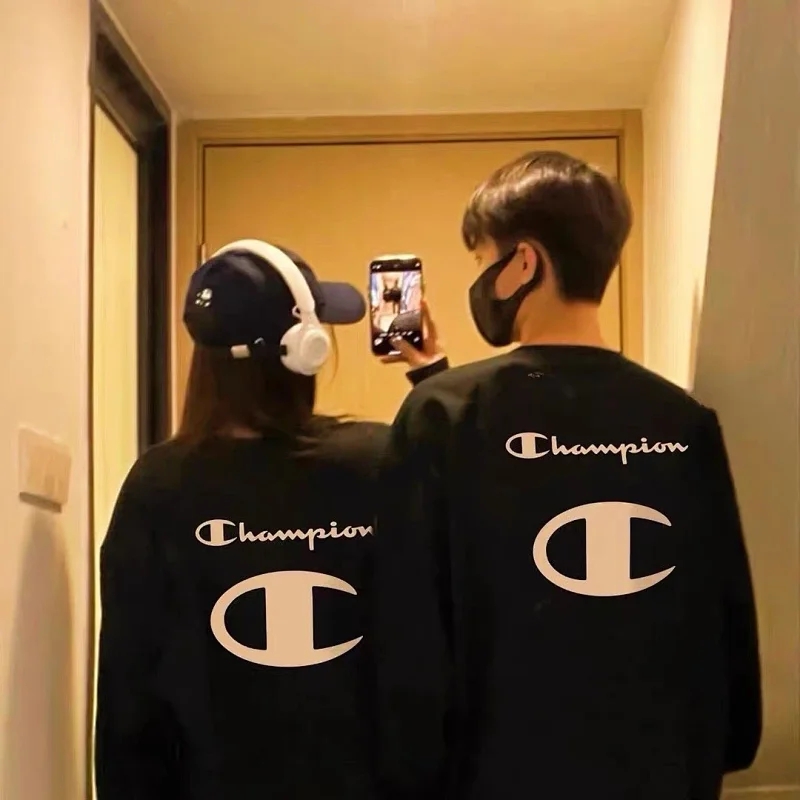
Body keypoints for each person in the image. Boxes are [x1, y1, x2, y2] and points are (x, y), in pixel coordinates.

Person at [369, 151, 762, 800]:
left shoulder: (445, 415)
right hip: (661, 771)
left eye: (483, 261)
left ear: (524, 262)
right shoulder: (681, 419)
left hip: (502, 773)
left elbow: (414, 629)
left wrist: (409, 772)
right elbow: (725, 606)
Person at [94, 239, 445, 800]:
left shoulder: (156, 488)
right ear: (302, 349)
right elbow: (435, 654)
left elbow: (128, 707)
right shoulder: (382, 462)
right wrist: (435, 377)